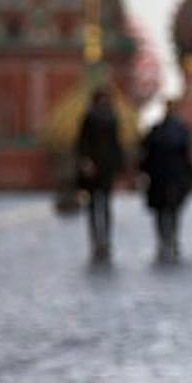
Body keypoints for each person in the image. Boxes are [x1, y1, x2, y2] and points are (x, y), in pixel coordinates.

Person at [139, 99, 192, 263]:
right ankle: (170, 239)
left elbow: (145, 153)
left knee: (162, 211)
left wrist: (144, 170)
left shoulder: (156, 130)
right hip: (174, 177)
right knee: (172, 210)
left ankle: (164, 241)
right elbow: (187, 156)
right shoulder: (181, 131)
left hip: (159, 177)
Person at [76, 87, 125, 262]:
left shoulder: (112, 118)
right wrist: (85, 161)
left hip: (106, 168)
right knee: (93, 206)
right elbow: (82, 142)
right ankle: (96, 240)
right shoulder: (90, 118)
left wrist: (119, 166)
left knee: (104, 205)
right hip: (94, 168)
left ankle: (104, 239)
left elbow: (116, 144)